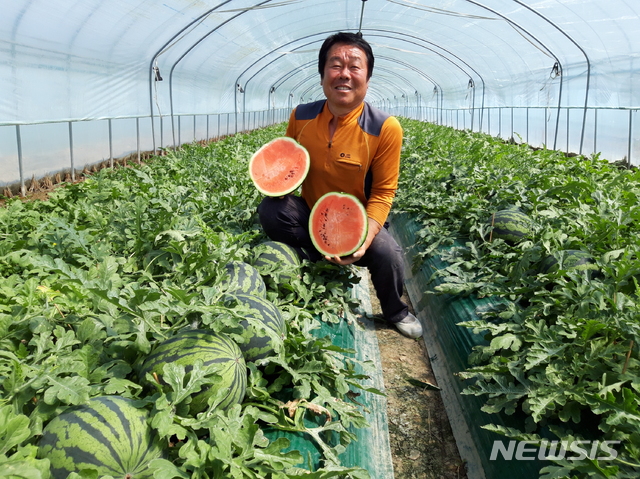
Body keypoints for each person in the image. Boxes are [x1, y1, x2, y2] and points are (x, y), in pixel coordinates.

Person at [257, 31, 422, 339]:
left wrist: (363, 237)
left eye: (354, 66)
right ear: (322, 75)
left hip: (357, 217)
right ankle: (314, 254)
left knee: (388, 254)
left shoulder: (385, 128)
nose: (344, 73)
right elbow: (290, 164)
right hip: (312, 209)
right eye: (335, 65)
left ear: (368, 77)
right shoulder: (301, 116)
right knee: (270, 210)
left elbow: (384, 192)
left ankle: (395, 310)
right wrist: (274, 179)